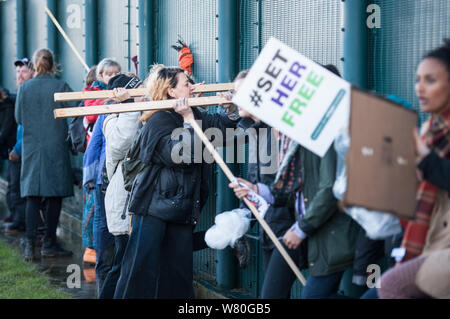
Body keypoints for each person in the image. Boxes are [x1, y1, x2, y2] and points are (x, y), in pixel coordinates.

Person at [230, 65, 361, 299]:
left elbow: (329, 189)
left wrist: (300, 228)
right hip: (304, 227)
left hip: (322, 230)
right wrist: (257, 190)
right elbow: (297, 188)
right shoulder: (304, 132)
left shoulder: (329, 132)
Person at [113, 65, 240, 299]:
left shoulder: (193, 113)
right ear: (171, 92)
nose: (192, 87)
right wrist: (189, 122)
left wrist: (231, 110)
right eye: (186, 84)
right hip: (152, 209)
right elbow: (180, 155)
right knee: (139, 273)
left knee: (177, 278)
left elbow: (224, 128)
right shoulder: (158, 120)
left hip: (181, 209)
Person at [375, 39, 450, 299]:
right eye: (417, 79)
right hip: (430, 242)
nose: (420, 88)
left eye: (430, 80)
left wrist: (426, 161)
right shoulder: (430, 131)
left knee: (392, 285)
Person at [15, 49, 75, 261]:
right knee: (53, 196)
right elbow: (78, 107)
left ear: (34, 65)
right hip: (55, 148)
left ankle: (30, 244)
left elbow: (19, 118)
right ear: (53, 65)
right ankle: (49, 243)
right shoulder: (60, 85)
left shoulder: (25, 88)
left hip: (32, 148)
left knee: (32, 195)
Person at [99, 74, 144, 298]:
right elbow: (122, 142)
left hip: (137, 202)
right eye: (138, 92)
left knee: (131, 266)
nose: (144, 95)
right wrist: (128, 106)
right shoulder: (112, 119)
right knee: (122, 265)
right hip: (123, 204)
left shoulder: (140, 113)